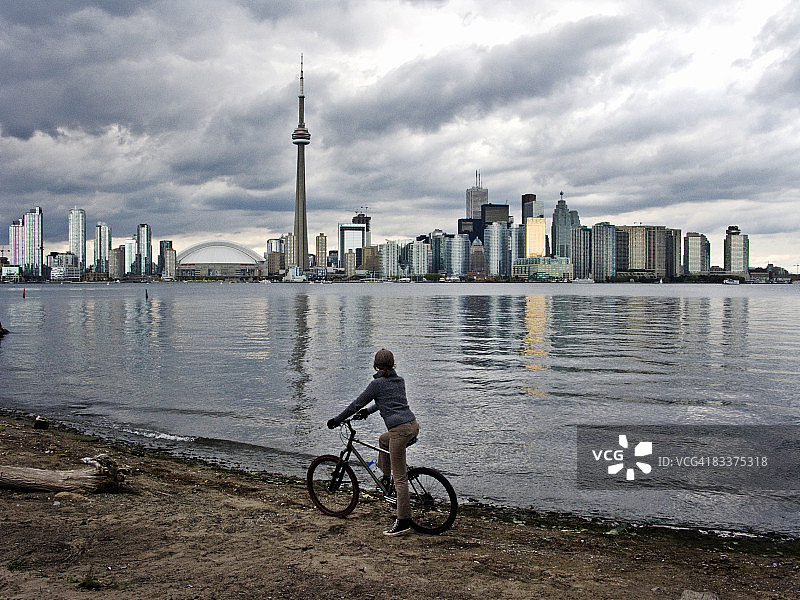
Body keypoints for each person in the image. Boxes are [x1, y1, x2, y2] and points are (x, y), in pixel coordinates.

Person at [327, 349, 420, 536]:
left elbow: (356, 404)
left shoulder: (376, 384)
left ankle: (403, 521)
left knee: (400, 478)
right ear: (393, 364)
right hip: (413, 425)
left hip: (399, 431)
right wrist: (368, 412)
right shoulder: (398, 381)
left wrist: (337, 420)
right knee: (382, 440)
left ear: (375, 365)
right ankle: (386, 479)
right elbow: (384, 401)